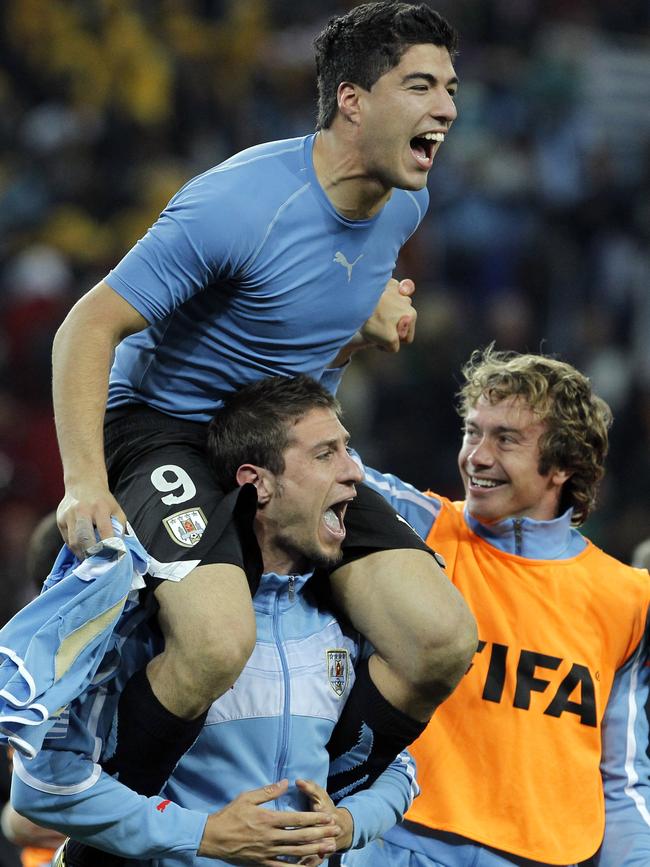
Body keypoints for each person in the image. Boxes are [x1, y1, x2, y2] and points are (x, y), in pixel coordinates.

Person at [50, 0, 476, 815]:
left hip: (283, 436)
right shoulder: (239, 202)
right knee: (215, 643)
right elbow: (86, 326)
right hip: (166, 425)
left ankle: (317, 804)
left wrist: (365, 317)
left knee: (440, 641)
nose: (447, 109)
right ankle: (113, 826)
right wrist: (84, 483)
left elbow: (295, 312)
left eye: (451, 88)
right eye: (421, 86)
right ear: (353, 99)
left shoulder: (405, 202)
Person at [11, 375, 418, 867]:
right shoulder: (152, 624)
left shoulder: (342, 618)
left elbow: (400, 765)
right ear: (258, 483)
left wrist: (350, 824)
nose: (355, 471)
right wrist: (204, 835)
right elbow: (40, 787)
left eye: (347, 450)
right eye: (325, 454)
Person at [342, 347, 650, 867]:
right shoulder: (416, 527)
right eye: (472, 431)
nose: (476, 457)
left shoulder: (629, 597)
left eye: (506, 438)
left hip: (546, 856)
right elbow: (317, 453)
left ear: (564, 465)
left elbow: (623, 781)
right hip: (394, 842)